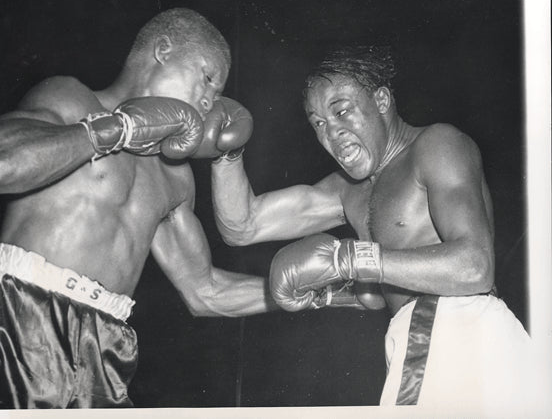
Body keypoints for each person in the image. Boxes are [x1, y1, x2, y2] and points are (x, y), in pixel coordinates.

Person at [0, 7, 275, 409]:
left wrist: (315, 292)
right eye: (207, 78)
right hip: (19, 316)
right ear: (163, 50)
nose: (208, 101)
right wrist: (114, 131)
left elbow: (206, 291)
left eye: (216, 95)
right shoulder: (71, 98)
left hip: (106, 345)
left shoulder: (175, 177)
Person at [211, 46, 537, 413]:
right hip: (422, 339)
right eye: (318, 123)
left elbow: (474, 266)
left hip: (456, 330)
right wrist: (226, 152)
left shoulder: (435, 145)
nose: (332, 133)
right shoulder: (348, 190)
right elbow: (242, 226)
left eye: (342, 111)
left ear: (381, 100)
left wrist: (348, 259)